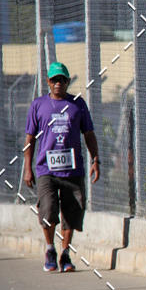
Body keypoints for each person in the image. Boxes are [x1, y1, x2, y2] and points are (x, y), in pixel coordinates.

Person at [24, 62, 100, 273]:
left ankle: (65, 253)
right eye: (54, 79)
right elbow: (29, 139)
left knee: (72, 213)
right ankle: (50, 248)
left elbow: (89, 134)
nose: (58, 83)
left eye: (62, 80)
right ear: (48, 82)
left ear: (67, 82)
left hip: (73, 170)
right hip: (46, 170)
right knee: (48, 211)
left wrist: (95, 160)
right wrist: (27, 168)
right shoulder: (38, 105)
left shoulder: (78, 104)